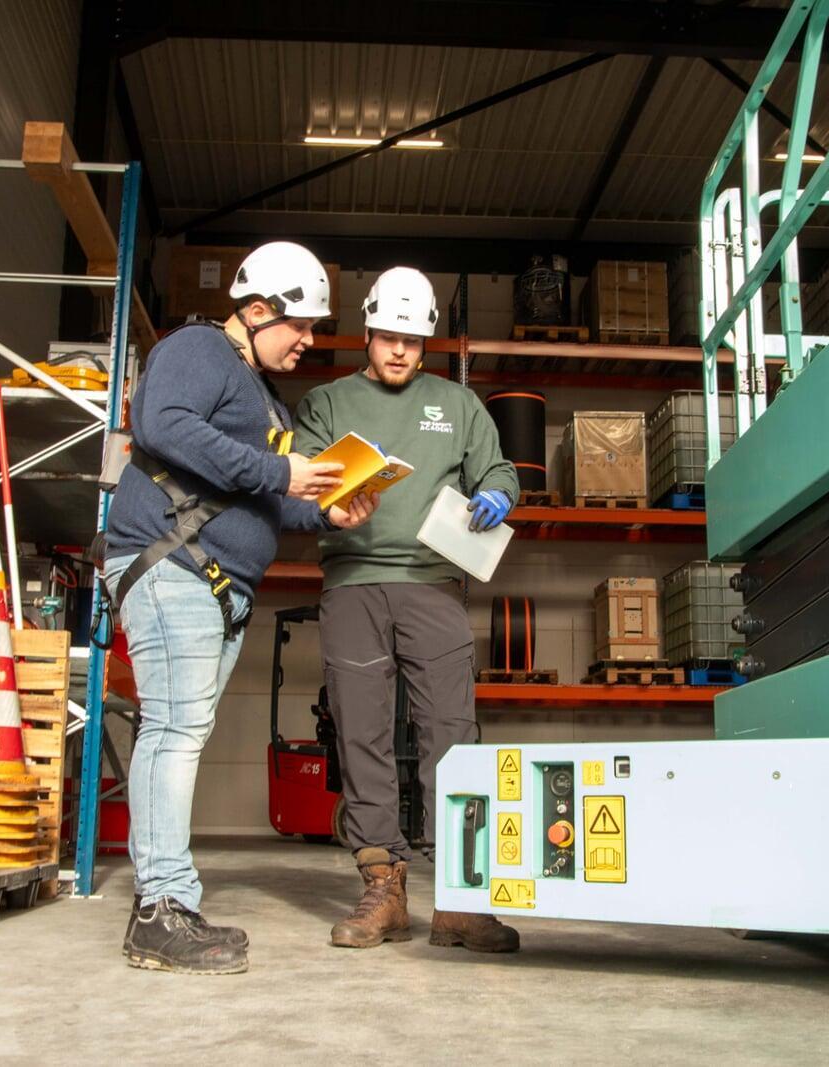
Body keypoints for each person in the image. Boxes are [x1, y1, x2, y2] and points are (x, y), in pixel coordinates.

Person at [104, 241, 378, 975]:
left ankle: (166, 902)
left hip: (212, 580)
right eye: (301, 325)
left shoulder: (261, 398)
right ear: (256, 311)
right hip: (172, 563)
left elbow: (259, 496)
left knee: (180, 729)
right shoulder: (199, 349)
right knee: (175, 730)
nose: (309, 341)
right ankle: (161, 908)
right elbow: (160, 423)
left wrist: (326, 514)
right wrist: (280, 468)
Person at [293, 266, 521, 953]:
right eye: (390, 337)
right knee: (361, 730)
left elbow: (498, 469)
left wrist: (501, 493)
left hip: (433, 584)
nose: (400, 351)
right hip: (354, 582)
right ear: (368, 331)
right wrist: (321, 500)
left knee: (452, 730)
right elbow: (299, 484)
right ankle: (382, 887)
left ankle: (458, 896)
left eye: (414, 341)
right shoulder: (326, 402)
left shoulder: (458, 405)